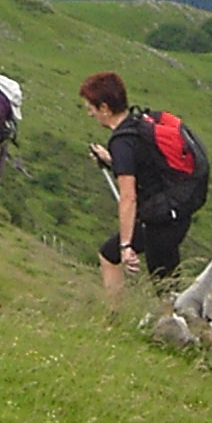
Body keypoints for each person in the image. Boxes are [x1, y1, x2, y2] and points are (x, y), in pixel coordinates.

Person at [79, 71, 197, 308]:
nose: (90, 113)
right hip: (175, 213)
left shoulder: (122, 142)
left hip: (160, 222)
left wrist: (126, 246)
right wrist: (111, 161)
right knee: (110, 255)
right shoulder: (139, 123)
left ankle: (175, 325)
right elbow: (145, 166)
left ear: (104, 108)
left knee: (166, 291)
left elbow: (128, 198)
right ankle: (116, 317)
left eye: (91, 107)